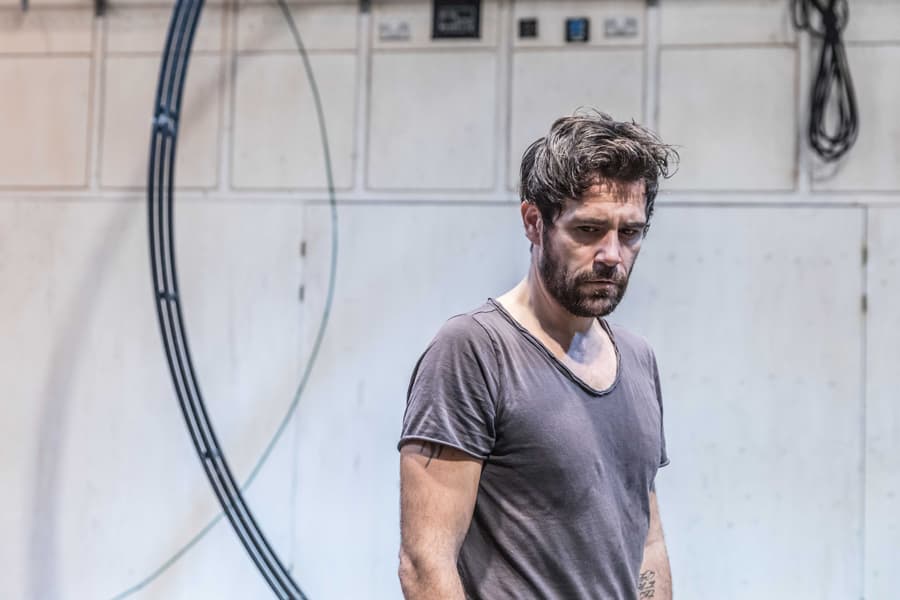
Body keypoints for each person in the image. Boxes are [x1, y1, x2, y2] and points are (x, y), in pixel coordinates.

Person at [397, 111, 678, 600]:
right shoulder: (473, 351)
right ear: (534, 222)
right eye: (588, 230)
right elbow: (425, 563)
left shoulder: (638, 359)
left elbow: (647, 543)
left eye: (629, 233)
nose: (611, 254)